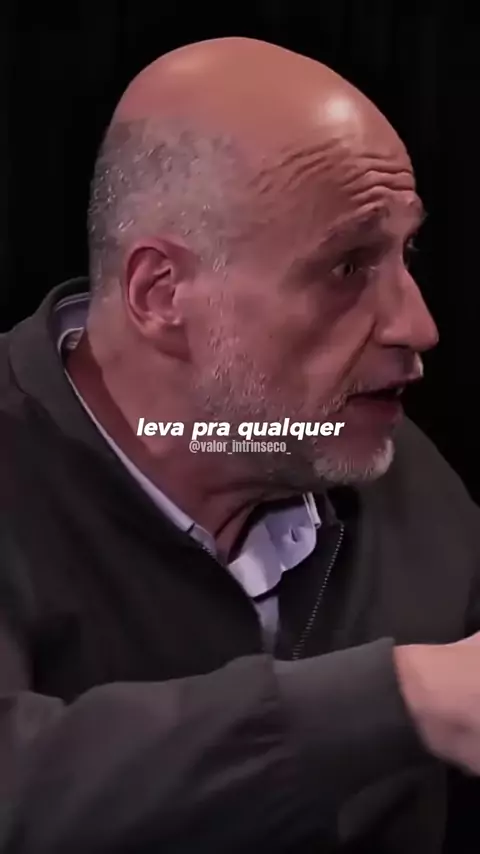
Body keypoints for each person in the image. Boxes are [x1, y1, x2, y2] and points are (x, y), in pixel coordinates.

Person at [0, 35, 479, 854]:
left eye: (407, 253)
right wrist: (399, 699)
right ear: (162, 294)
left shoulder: (396, 471)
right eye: (348, 267)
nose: (417, 324)